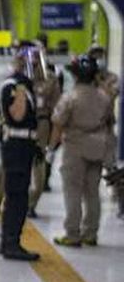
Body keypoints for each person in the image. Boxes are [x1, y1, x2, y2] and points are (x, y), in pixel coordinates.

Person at [51, 55, 114, 248]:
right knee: (92, 193)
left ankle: (72, 234)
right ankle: (90, 233)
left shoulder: (70, 97)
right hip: (97, 147)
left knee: (73, 192)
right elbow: (110, 122)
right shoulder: (104, 97)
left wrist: (50, 149)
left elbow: (58, 124)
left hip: (75, 148)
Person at [0, 46, 48, 219]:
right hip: (15, 131)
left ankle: (30, 204)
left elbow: (53, 105)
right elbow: (11, 110)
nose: (33, 61)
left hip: (40, 126)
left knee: (38, 171)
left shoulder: (48, 79)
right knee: (7, 169)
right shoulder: (14, 82)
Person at [0, 51, 43, 262]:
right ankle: (10, 243)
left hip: (25, 146)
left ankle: (11, 240)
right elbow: (18, 115)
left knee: (20, 196)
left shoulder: (27, 85)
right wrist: (22, 89)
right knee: (16, 197)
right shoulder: (12, 86)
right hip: (15, 146)